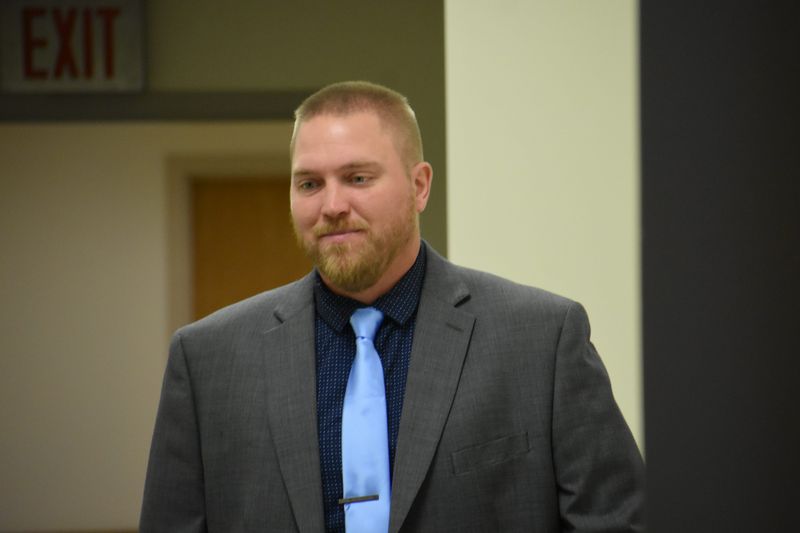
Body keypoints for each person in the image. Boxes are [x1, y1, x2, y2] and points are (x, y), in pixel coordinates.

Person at [140, 81, 644, 532]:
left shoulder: (541, 339)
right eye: (309, 183)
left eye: (358, 178)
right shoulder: (207, 361)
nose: (331, 205)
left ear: (420, 185)